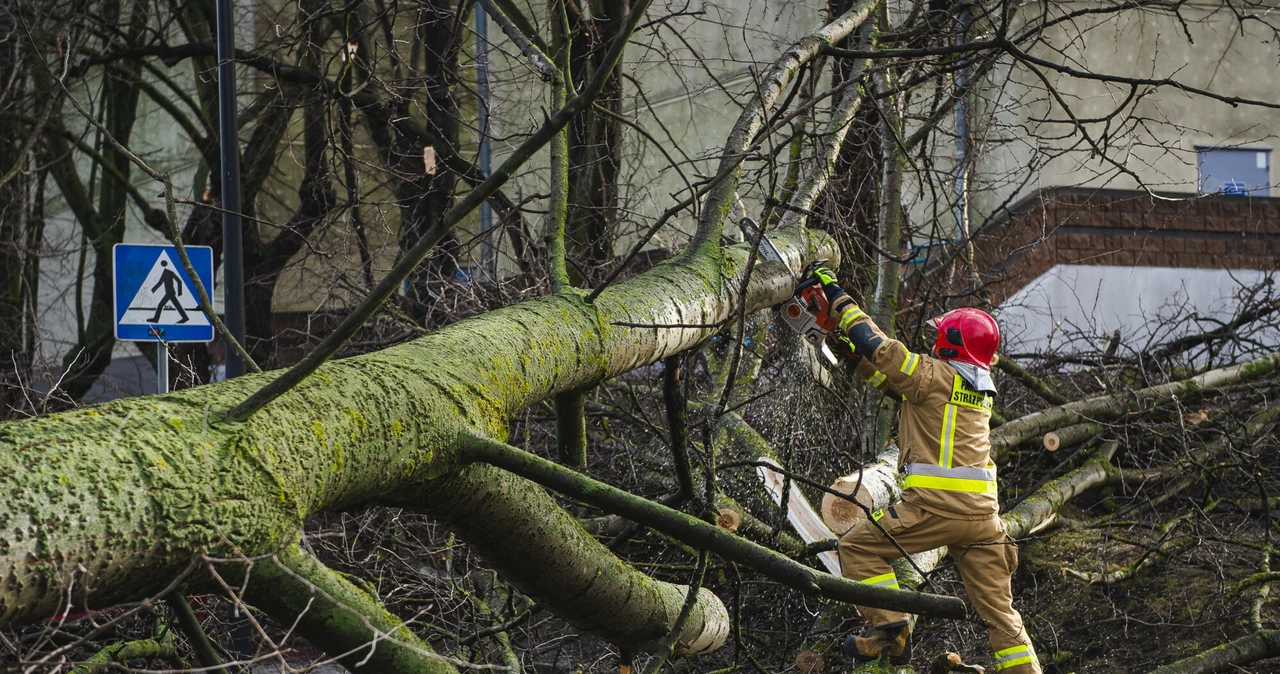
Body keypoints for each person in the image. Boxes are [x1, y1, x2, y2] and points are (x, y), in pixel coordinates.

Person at [807, 267, 1041, 674]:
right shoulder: (972, 388)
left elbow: (885, 353)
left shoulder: (936, 376)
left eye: (938, 340)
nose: (932, 345)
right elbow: (892, 381)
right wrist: (849, 355)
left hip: (935, 510)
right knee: (1001, 615)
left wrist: (839, 301)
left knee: (856, 547)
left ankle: (891, 628)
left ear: (952, 346)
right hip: (985, 522)